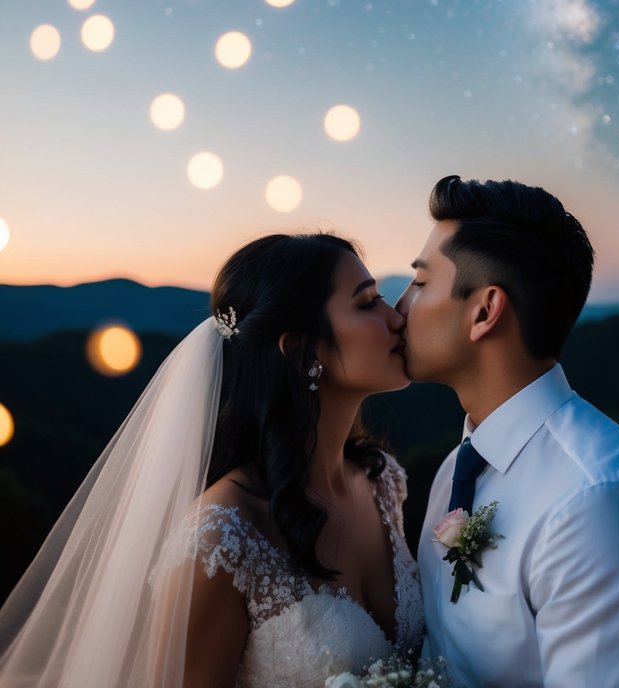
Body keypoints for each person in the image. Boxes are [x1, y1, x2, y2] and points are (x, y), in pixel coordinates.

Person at [0, 232, 423, 688]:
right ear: (301, 351)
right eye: (368, 302)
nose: (397, 317)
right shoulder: (221, 539)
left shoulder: (380, 480)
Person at [397, 176, 619, 688]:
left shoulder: (603, 504)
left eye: (421, 283)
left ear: (484, 310)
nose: (399, 307)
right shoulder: (459, 466)